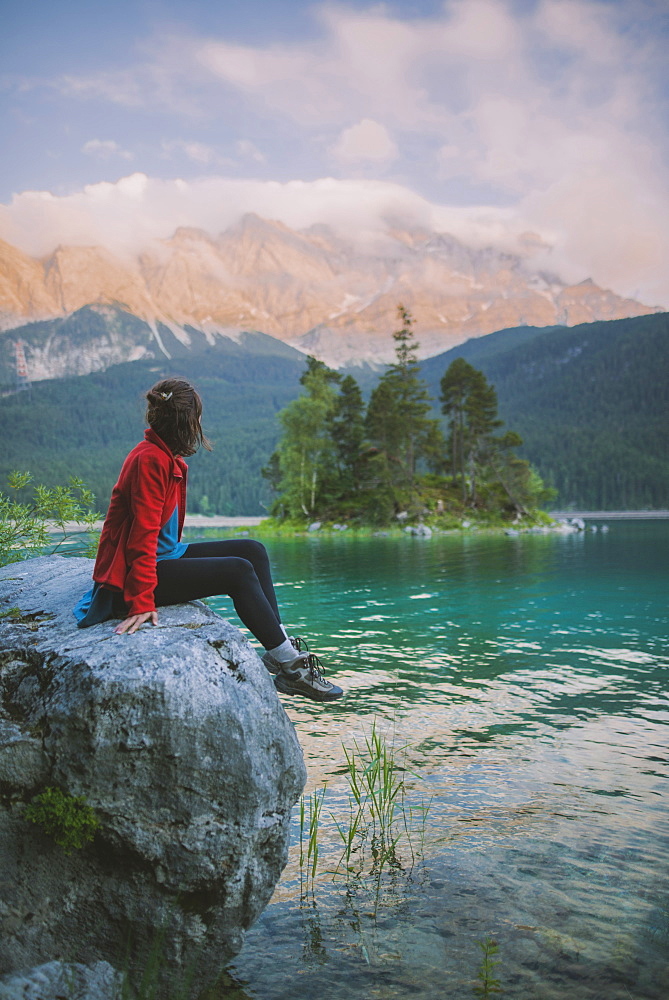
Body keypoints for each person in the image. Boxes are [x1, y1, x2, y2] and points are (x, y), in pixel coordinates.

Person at [73, 376, 343, 703]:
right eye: (198, 417)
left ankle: (278, 649)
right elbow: (140, 541)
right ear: (186, 422)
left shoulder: (164, 456)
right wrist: (141, 601)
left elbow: (159, 539)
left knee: (252, 550)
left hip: (165, 556)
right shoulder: (150, 461)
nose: (201, 422)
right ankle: (291, 668)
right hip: (131, 580)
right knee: (237, 571)